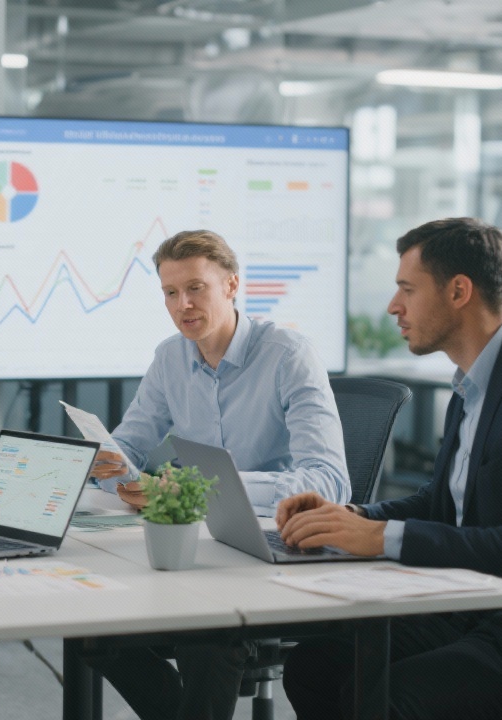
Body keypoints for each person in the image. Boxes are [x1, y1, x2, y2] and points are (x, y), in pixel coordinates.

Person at [277, 217, 502, 719]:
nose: (393, 306)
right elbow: (442, 503)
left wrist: (382, 537)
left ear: (458, 291)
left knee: (385, 699)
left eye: (407, 289)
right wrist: (350, 516)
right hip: (475, 609)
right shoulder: (473, 383)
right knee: (316, 666)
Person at [88, 229, 350, 720]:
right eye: (170, 292)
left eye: (195, 288)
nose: (182, 304)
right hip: (198, 545)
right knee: (90, 617)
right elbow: (131, 444)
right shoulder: (171, 356)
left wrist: (199, 491)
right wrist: (113, 470)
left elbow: (329, 481)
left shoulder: (288, 355)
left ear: (231, 286)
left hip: (268, 547)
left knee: (206, 637)